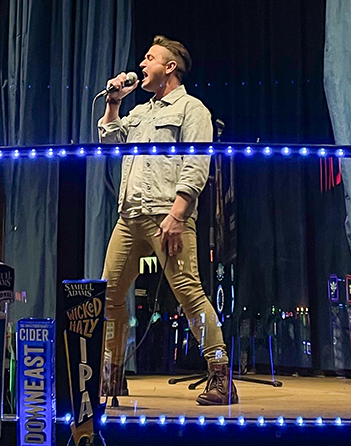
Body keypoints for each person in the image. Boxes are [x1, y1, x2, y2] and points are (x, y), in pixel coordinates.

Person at [98, 35, 237, 405]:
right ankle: (112, 376)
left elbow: (196, 165)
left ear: (169, 67)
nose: (141, 64)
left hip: (166, 213)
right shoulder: (141, 112)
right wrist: (113, 104)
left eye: (149, 58)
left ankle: (222, 376)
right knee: (108, 294)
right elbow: (109, 143)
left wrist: (178, 215)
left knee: (189, 293)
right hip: (129, 216)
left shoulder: (193, 110)